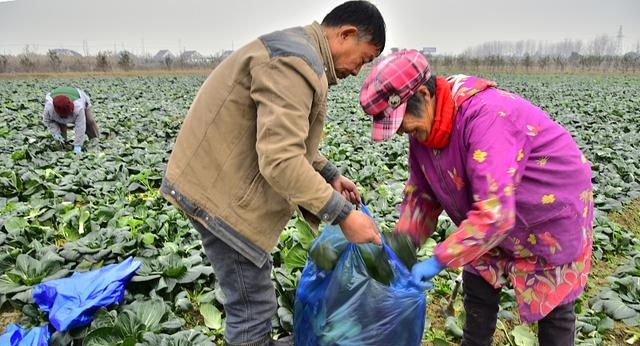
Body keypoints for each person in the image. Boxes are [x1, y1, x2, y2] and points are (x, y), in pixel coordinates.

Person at [160, 2, 386, 345]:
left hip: (223, 181)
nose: (359, 70)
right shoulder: (294, 63)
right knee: (252, 306)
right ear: (346, 35)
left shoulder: (299, 53)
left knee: (255, 292)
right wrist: (343, 216)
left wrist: (329, 174)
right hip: (222, 196)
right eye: (365, 58)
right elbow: (281, 159)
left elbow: (283, 138)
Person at [359, 50, 594, 346]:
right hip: (488, 211)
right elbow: (421, 194)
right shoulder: (423, 133)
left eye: (401, 119)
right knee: (479, 283)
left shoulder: (486, 116)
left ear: (423, 94)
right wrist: (402, 247)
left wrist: (438, 259)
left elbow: (494, 215)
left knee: (554, 305)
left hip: (547, 209)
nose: (402, 130)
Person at [42, 86, 99, 153]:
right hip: (57, 108)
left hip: (79, 97)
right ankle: (63, 149)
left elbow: (80, 126)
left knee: (89, 121)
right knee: (60, 127)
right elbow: (48, 121)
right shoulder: (49, 108)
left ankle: (95, 142)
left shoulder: (78, 107)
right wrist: (56, 133)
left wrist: (78, 145)